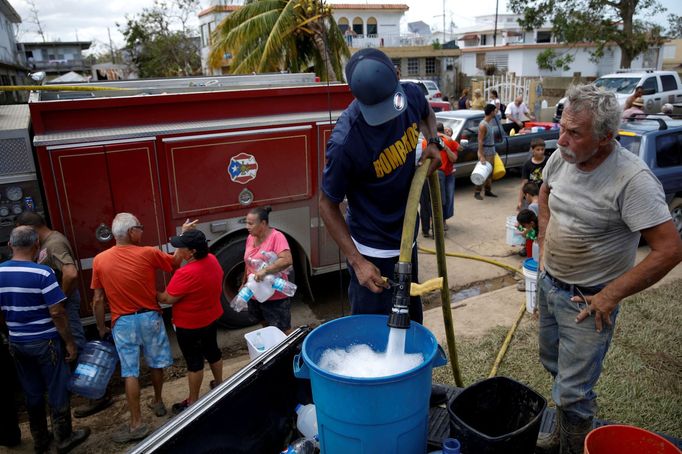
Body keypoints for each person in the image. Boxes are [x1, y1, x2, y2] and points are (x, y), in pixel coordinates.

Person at [535, 84, 682, 454]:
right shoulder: (562, 157)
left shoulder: (632, 180)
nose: (562, 138)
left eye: (574, 132)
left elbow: (669, 249)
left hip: (588, 300)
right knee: (552, 362)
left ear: (604, 138)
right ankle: (564, 433)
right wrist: (543, 242)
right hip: (550, 284)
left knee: (573, 390)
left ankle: (571, 446)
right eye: (562, 127)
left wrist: (609, 296)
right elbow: (545, 193)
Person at [319, 47, 441, 324]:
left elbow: (427, 113)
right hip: (372, 255)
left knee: (411, 328)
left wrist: (434, 142)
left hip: (407, 241)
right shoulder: (345, 142)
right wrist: (358, 263)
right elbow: (327, 205)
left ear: (397, 75)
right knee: (371, 341)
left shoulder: (409, 94)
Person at [92, 213, 183, 443]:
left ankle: (136, 423)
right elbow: (174, 263)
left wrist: (102, 327)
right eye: (140, 227)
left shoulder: (100, 260)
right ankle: (159, 401)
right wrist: (183, 235)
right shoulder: (148, 253)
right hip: (149, 318)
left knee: (130, 371)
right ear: (132, 232)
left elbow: (97, 300)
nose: (142, 231)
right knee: (155, 362)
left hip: (122, 322)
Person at [0, 226, 90, 453]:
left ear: (10, 245)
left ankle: (40, 439)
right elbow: (57, 313)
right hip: (45, 342)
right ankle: (64, 437)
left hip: (17, 342)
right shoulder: (42, 274)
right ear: (36, 246)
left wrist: (10, 329)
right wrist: (69, 342)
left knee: (32, 391)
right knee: (57, 387)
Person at [15, 212, 113, 418]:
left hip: (64, 305)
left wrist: (59, 297)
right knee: (69, 346)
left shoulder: (54, 243)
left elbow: (71, 273)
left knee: (76, 345)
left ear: (31, 229)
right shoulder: (47, 242)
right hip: (60, 305)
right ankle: (79, 389)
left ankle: (97, 395)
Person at [157, 227, 224, 414]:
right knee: (213, 352)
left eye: (182, 247)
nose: (179, 250)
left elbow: (167, 299)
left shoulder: (185, 274)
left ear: (192, 251)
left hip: (190, 325)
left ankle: (193, 401)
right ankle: (219, 384)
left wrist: (150, 292)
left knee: (194, 363)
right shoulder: (212, 259)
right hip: (210, 318)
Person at [243, 206, 294, 333]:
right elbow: (248, 262)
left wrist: (265, 271)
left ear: (263, 223)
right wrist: (243, 283)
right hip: (255, 292)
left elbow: (287, 260)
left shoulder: (277, 237)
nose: (247, 226)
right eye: (246, 223)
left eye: (250, 223)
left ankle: (291, 351)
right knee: (265, 325)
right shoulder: (251, 237)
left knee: (283, 330)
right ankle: (272, 345)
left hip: (275, 296)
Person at [421, 122, 458, 232]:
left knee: (428, 202)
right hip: (440, 173)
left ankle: (427, 229)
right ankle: (439, 224)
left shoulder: (424, 141)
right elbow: (457, 152)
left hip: (429, 173)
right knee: (441, 200)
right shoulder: (447, 141)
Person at [474, 104, 498, 200]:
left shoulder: (490, 123)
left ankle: (487, 190)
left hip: (491, 151)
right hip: (485, 152)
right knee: (482, 172)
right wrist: (482, 155)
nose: (496, 113)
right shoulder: (483, 125)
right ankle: (477, 192)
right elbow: (480, 140)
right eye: (495, 111)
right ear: (491, 112)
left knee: (490, 173)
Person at [516, 138, 547, 211]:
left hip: (544, 195)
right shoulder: (527, 164)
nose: (541, 152)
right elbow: (524, 183)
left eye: (542, 149)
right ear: (532, 150)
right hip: (531, 196)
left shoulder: (548, 161)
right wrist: (520, 201)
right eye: (538, 149)